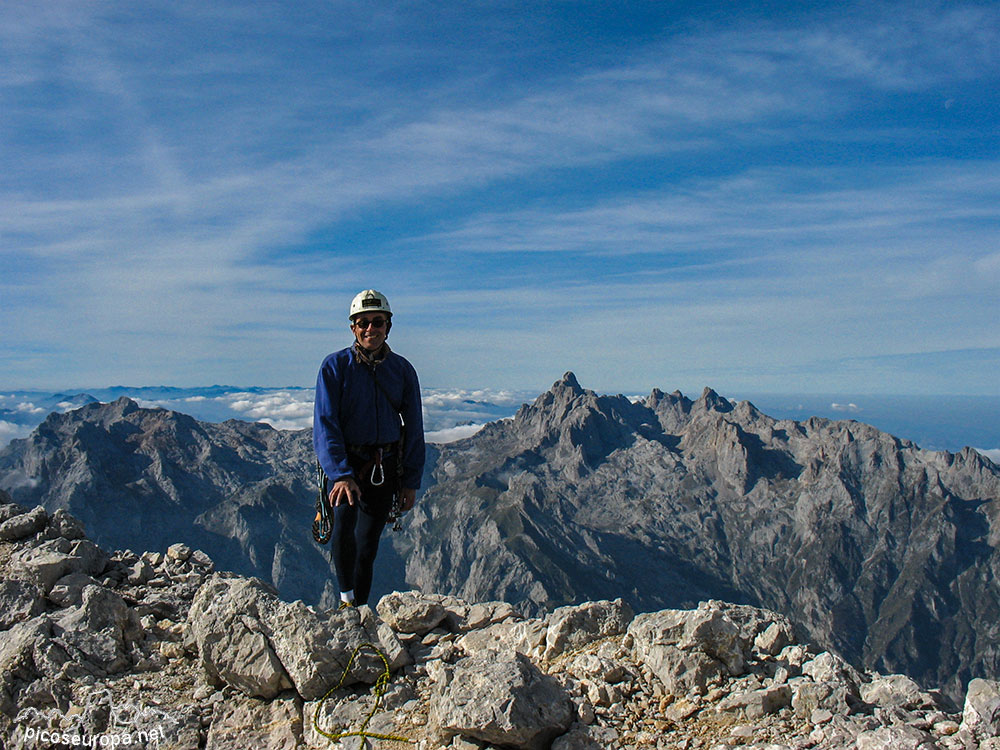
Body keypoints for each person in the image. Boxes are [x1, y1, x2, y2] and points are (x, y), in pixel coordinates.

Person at [313, 289, 425, 608]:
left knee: (368, 544)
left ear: (388, 326)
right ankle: (347, 599)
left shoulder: (402, 371)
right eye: (363, 323)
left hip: (384, 466)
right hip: (347, 465)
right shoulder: (334, 367)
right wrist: (340, 474)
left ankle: (358, 608)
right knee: (343, 533)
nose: (370, 329)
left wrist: (410, 482)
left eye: (377, 322)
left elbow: (414, 427)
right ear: (353, 328)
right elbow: (325, 424)